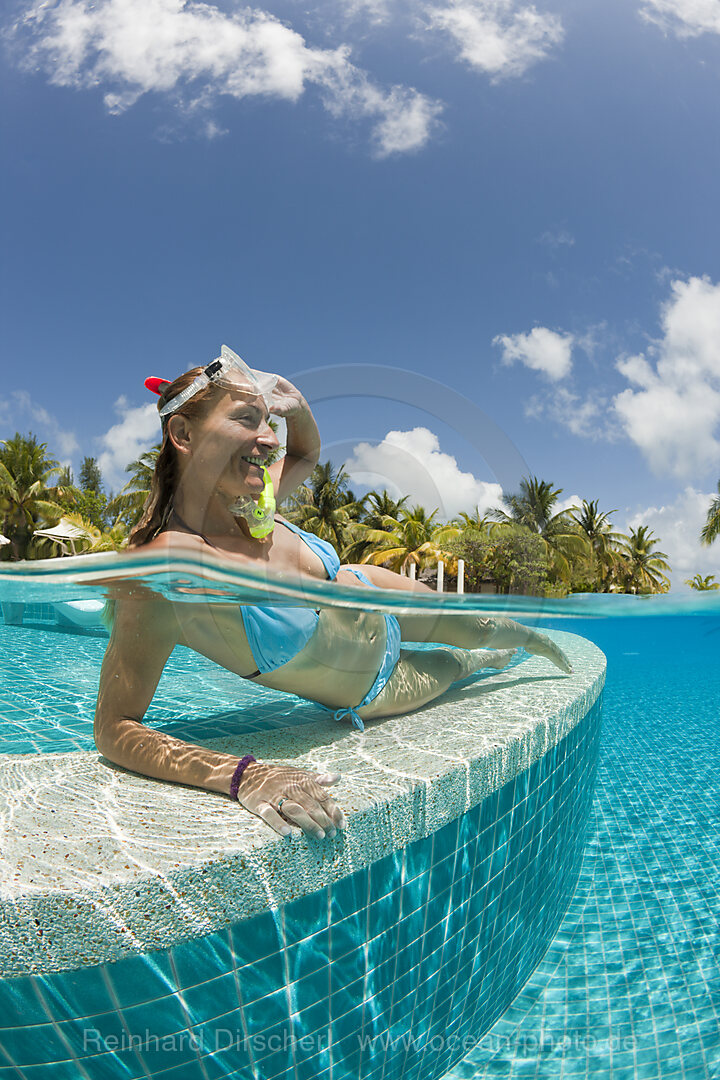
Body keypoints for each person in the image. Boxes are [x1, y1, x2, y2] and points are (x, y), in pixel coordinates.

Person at [95, 348, 572, 842]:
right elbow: (114, 727)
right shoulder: (168, 569)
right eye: (245, 419)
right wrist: (244, 775)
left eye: (267, 422)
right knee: (458, 665)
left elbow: (302, 453)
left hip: (374, 591)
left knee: (485, 626)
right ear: (184, 434)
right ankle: (489, 663)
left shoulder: (255, 508)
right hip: (375, 688)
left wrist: (298, 410)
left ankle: (536, 644)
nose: (268, 439)